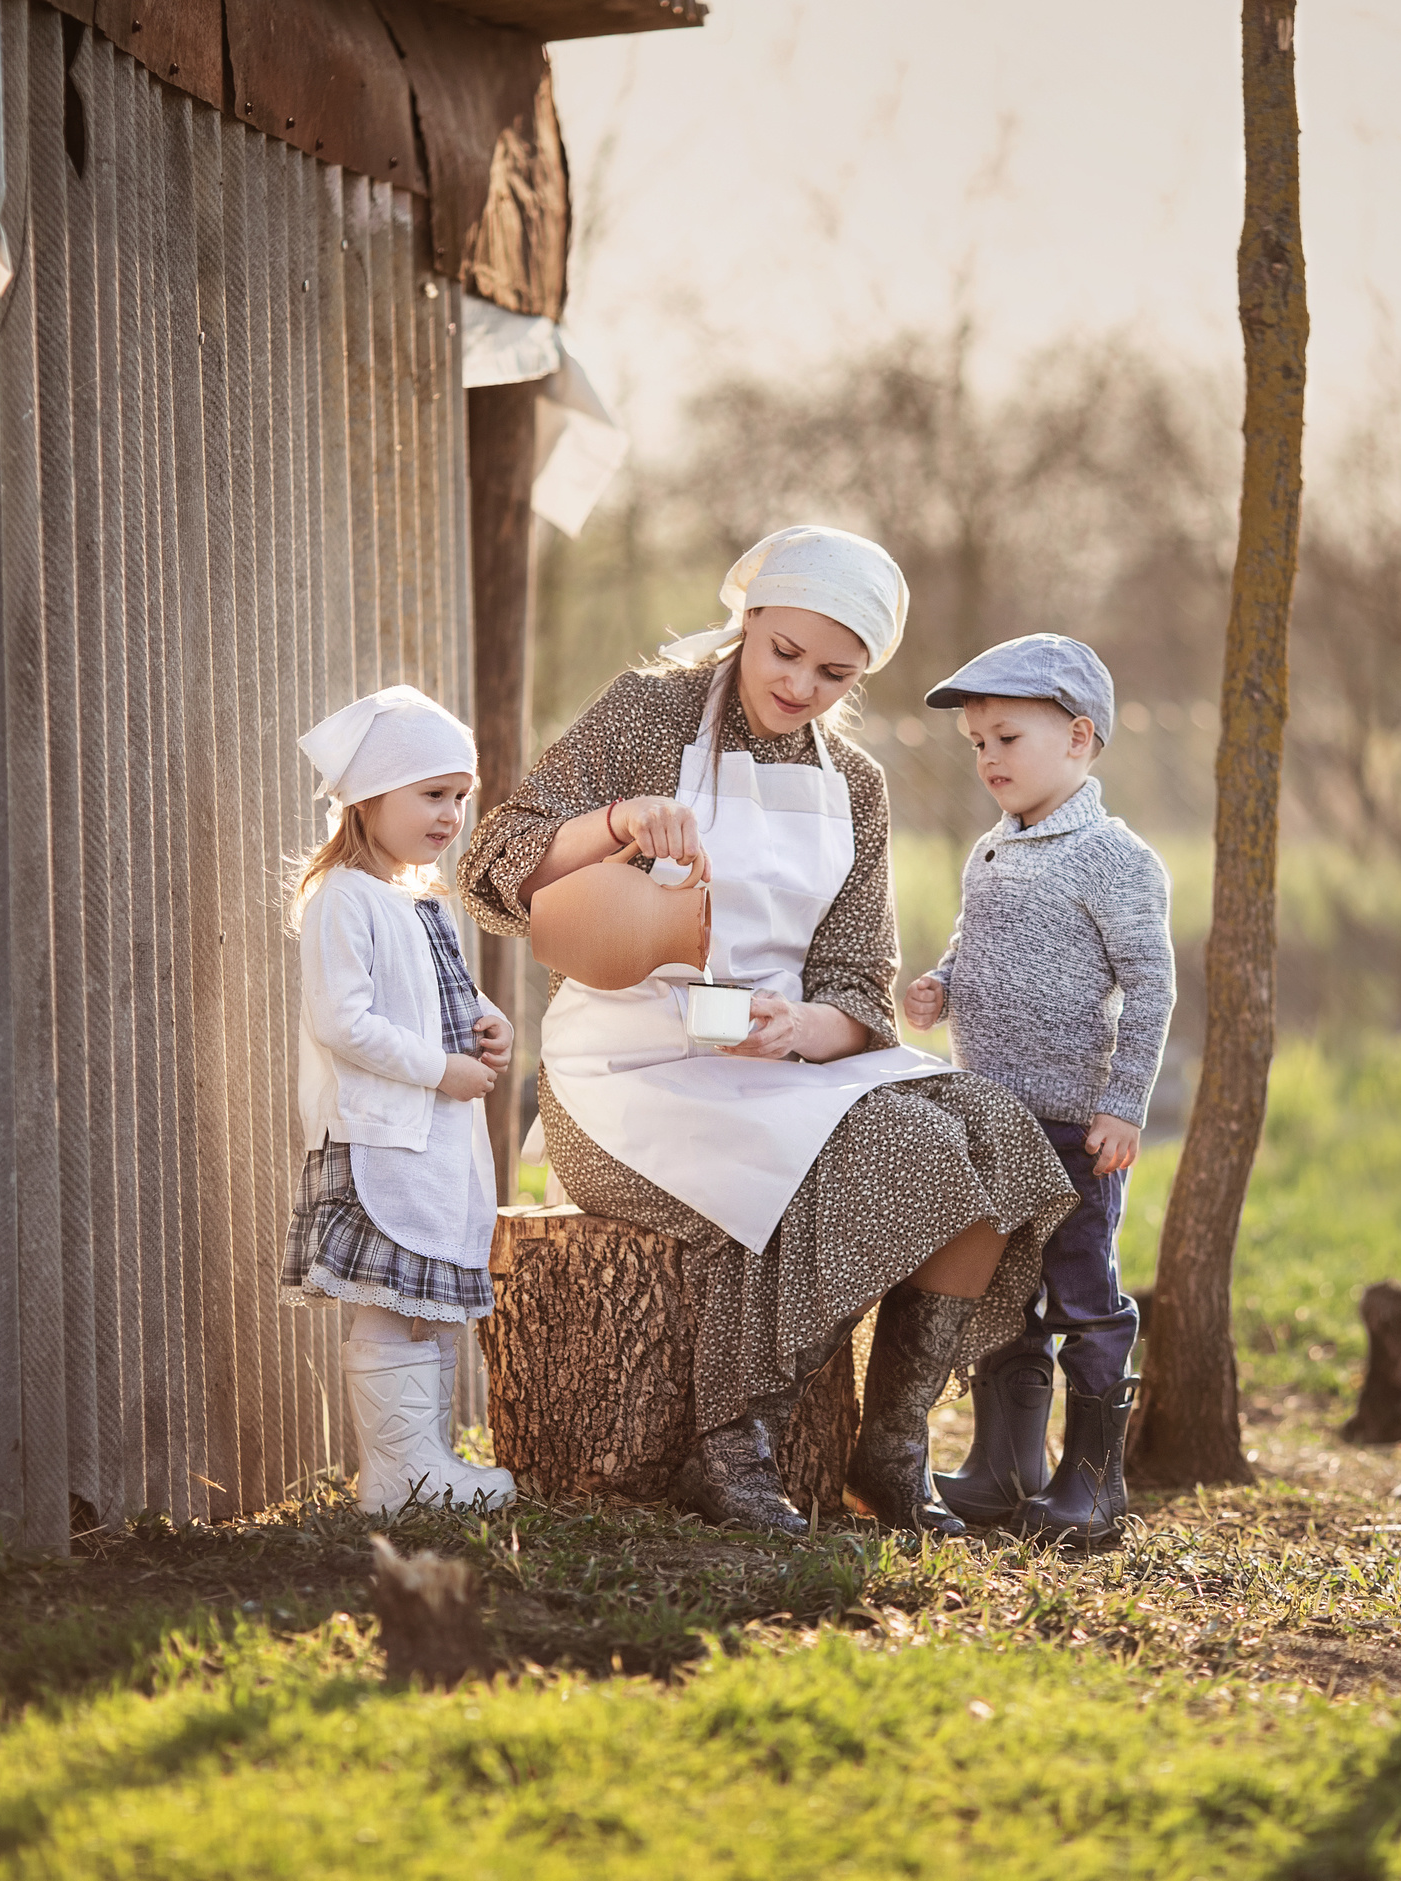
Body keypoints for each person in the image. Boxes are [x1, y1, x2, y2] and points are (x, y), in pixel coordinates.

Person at [457, 525, 1077, 1538]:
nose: (800, 686)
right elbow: (492, 864)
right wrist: (615, 821)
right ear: (746, 621)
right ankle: (730, 1440)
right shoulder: (647, 712)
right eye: (783, 652)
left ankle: (892, 1443)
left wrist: (806, 1028)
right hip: (626, 1065)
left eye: (835, 673)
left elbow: (858, 985)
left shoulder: (856, 784)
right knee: (892, 1150)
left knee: (995, 1134)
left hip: (776, 1060)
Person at [902, 635, 1174, 1545]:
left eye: (1007, 738)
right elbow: (975, 944)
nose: (987, 759)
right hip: (992, 1117)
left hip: (1072, 1128)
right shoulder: (993, 848)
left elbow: (1152, 986)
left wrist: (1124, 1103)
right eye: (977, 743)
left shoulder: (1115, 857)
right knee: (1001, 1292)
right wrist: (943, 983)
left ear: (1079, 739)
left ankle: (1094, 1483)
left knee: (1083, 1296)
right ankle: (1003, 1466)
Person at [284, 685, 519, 1517]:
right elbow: (343, 1021)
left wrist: (492, 1030)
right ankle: (396, 1473)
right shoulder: (344, 898)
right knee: (390, 1305)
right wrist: (439, 1070)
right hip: (382, 1135)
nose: (452, 813)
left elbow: (452, 996)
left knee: (426, 1302)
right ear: (369, 796)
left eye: (460, 796)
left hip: (435, 1137)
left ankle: (420, 1462)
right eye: (432, 794)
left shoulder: (423, 901)